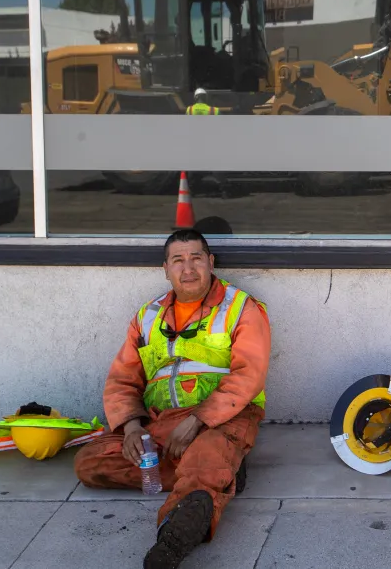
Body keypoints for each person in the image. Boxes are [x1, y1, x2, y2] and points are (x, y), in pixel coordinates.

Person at [74, 229, 270, 568]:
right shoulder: (146, 316)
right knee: (91, 463)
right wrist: (133, 428)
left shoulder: (241, 307)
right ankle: (219, 472)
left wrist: (198, 421)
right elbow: (122, 378)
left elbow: (248, 376)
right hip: (161, 422)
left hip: (222, 418)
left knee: (208, 450)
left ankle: (171, 539)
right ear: (165, 268)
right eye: (178, 260)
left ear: (210, 262)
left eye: (196, 258)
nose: (188, 268)